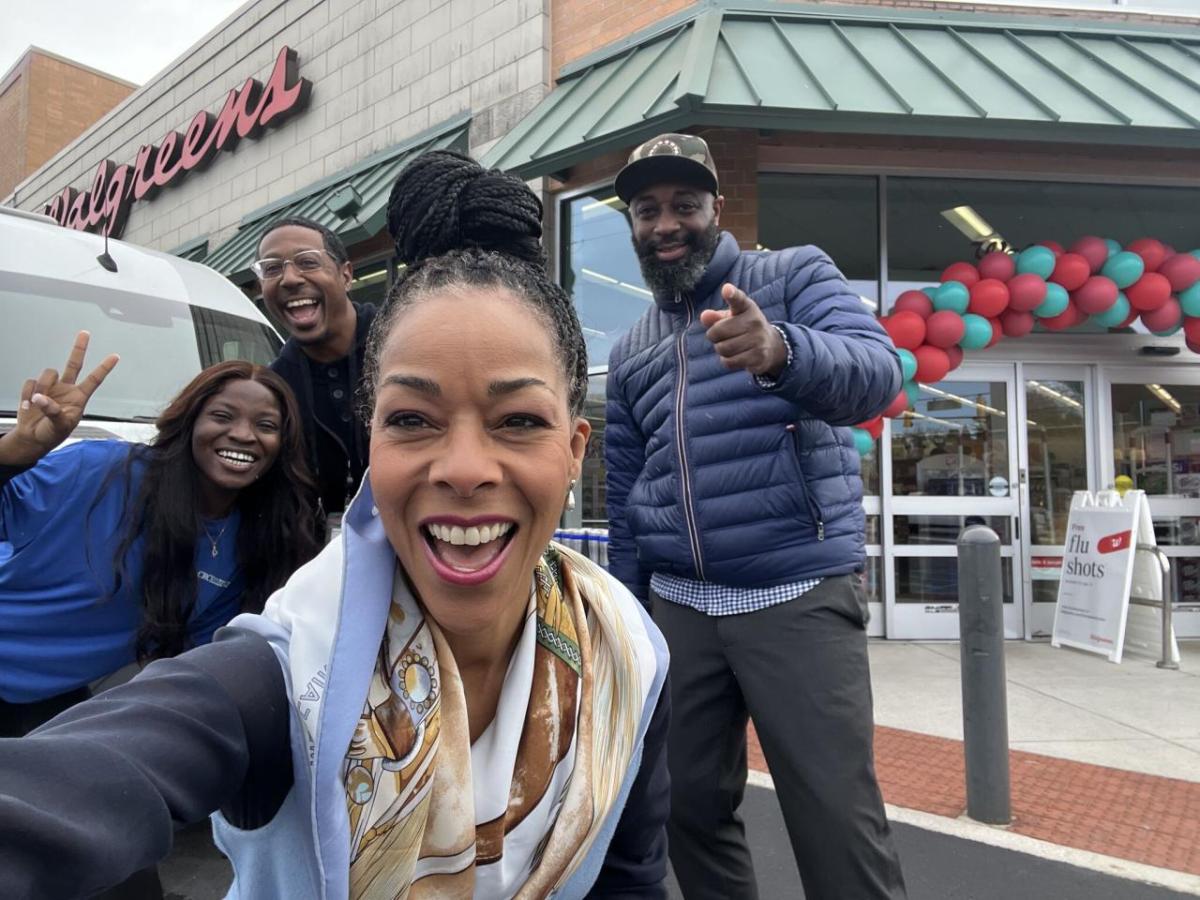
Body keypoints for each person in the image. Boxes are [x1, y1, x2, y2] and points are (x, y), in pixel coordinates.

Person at [0, 151, 670, 900]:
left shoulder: (628, 652)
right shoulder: (286, 672)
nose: (464, 468)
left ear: (576, 449)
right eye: (412, 419)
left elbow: (633, 875)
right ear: (370, 441)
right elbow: (86, 780)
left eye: (518, 420)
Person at [605, 133, 906, 899]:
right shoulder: (632, 346)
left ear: (717, 208)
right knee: (684, 808)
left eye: (683, 205)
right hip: (681, 608)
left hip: (795, 593)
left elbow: (878, 375)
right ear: (632, 224)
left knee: (835, 822)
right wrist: (629, 619)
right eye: (647, 210)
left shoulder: (792, 273)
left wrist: (780, 352)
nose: (666, 223)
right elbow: (628, 491)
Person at [0, 336, 320, 735]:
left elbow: (195, 664)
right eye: (222, 416)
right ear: (190, 423)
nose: (243, 434)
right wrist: (16, 450)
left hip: (42, 699)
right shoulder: (102, 471)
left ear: (281, 446)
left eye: (266, 425)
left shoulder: (251, 541)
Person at [257, 216, 374, 529]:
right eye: (271, 268)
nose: (290, 278)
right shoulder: (273, 389)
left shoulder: (405, 344)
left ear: (346, 274)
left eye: (307, 262)